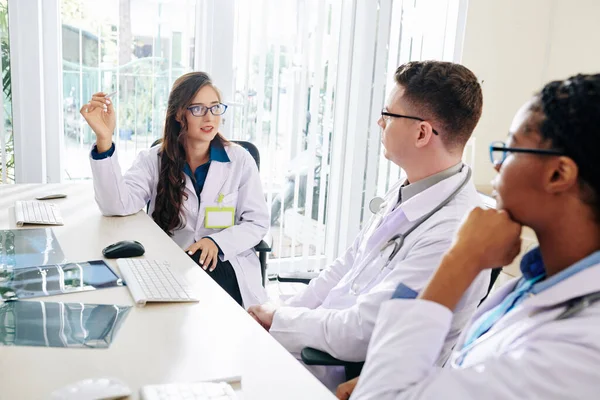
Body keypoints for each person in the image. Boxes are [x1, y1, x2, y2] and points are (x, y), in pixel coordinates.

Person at [345, 73, 600, 400]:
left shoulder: (581, 349)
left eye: (509, 149)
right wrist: (407, 382)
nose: (496, 167)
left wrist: (461, 260)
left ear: (558, 174)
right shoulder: (539, 281)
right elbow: (477, 371)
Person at [248, 61, 490, 388]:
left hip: (343, 372)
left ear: (422, 133)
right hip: (316, 338)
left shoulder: (451, 232)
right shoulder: (409, 186)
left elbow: (361, 332)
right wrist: (283, 310)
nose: (380, 122)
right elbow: (349, 262)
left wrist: (279, 319)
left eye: (389, 115)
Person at [80, 72, 269, 308]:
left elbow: (257, 222)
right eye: (198, 109)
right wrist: (104, 139)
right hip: (172, 265)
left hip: (226, 264)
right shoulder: (154, 160)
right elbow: (115, 205)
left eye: (215, 107)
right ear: (180, 114)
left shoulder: (240, 160)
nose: (209, 116)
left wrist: (217, 242)